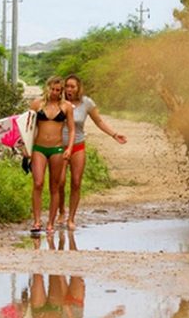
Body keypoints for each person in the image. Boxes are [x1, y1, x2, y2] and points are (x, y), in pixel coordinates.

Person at [57, 74, 127, 230]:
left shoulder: (86, 103)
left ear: (78, 88)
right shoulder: (58, 102)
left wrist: (114, 134)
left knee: (76, 182)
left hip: (77, 145)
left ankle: (71, 218)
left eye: (72, 86)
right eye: (67, 86)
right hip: (59, 146)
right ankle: (61, 210)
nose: (69, 89)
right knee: (60, 182)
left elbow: (99, 121)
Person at [30, 76, 75, 234]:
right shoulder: (37, 104)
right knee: (38, 183)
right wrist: (25, 149)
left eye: (58, 90)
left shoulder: (66, 107)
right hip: (39, 148)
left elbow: (71, 129)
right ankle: (36, 221)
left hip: (56, 149)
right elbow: (28, 126)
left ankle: (50, 222)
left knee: (54, 186)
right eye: (52, 89)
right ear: (47, 88)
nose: (55, 92)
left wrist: (69, 148)